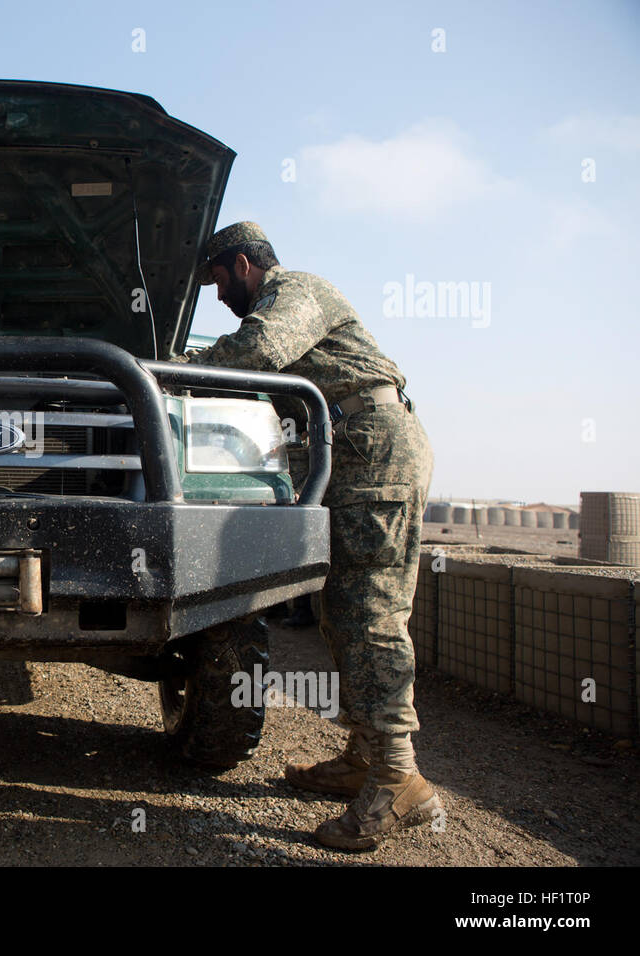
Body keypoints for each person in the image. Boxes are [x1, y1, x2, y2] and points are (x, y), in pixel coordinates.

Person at [179, 222, 441, 850]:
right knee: (342, 608)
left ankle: (399, 777)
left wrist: (173, 365)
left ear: (243, 263)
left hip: (374, 452)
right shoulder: (280, 295)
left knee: (372, 612)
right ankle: (362, 755)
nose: (217, 297)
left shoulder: (296, 291)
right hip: (351, 453)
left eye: (216, 280)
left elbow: (258, 352)